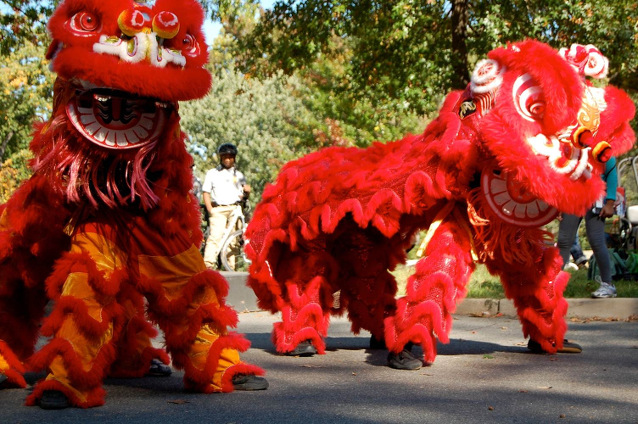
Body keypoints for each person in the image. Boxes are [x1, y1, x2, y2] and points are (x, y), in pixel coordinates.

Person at [557, 156, 619, 298]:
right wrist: (558, 203)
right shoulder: (570, 144)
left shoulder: (602, 144)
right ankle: (553, 285)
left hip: (595, 197)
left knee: (596, 240)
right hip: (572, 197)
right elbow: (563, 173)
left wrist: (610, 202)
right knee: (564, 240)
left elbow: (611, 173)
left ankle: (608, 285)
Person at [202, 143, 251, 269]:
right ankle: (208, 265)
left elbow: (244, 198)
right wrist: (210, 209)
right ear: (221, 158)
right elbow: (206, 192)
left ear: (234, 158)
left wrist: (247, 192)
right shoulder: (213, 173)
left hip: (235, 208)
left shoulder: (238, 175)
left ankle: (231, 267)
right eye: (225, 157)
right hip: (219, 209)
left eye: (230, 157)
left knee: (233, 241)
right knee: (215, 236)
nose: (228, 160)